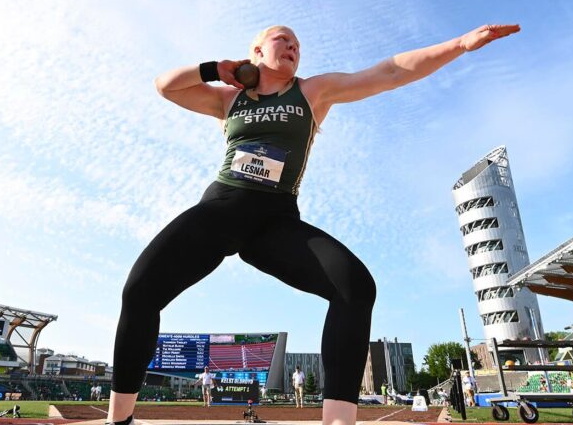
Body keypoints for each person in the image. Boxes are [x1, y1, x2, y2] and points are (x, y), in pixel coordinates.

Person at [105, 23, 520, 425]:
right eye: (281, 39)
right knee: (140, 290)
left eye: (297, 44)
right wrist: (217, 70)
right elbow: (165, 86)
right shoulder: (230, 99)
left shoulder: (312, 91)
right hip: (222, 210)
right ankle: (119, 419)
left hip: (276, 221)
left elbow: (390, 72)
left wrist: (461, 44)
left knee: (355, 287)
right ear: (257, 53)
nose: (292, 47)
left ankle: (339, 421)